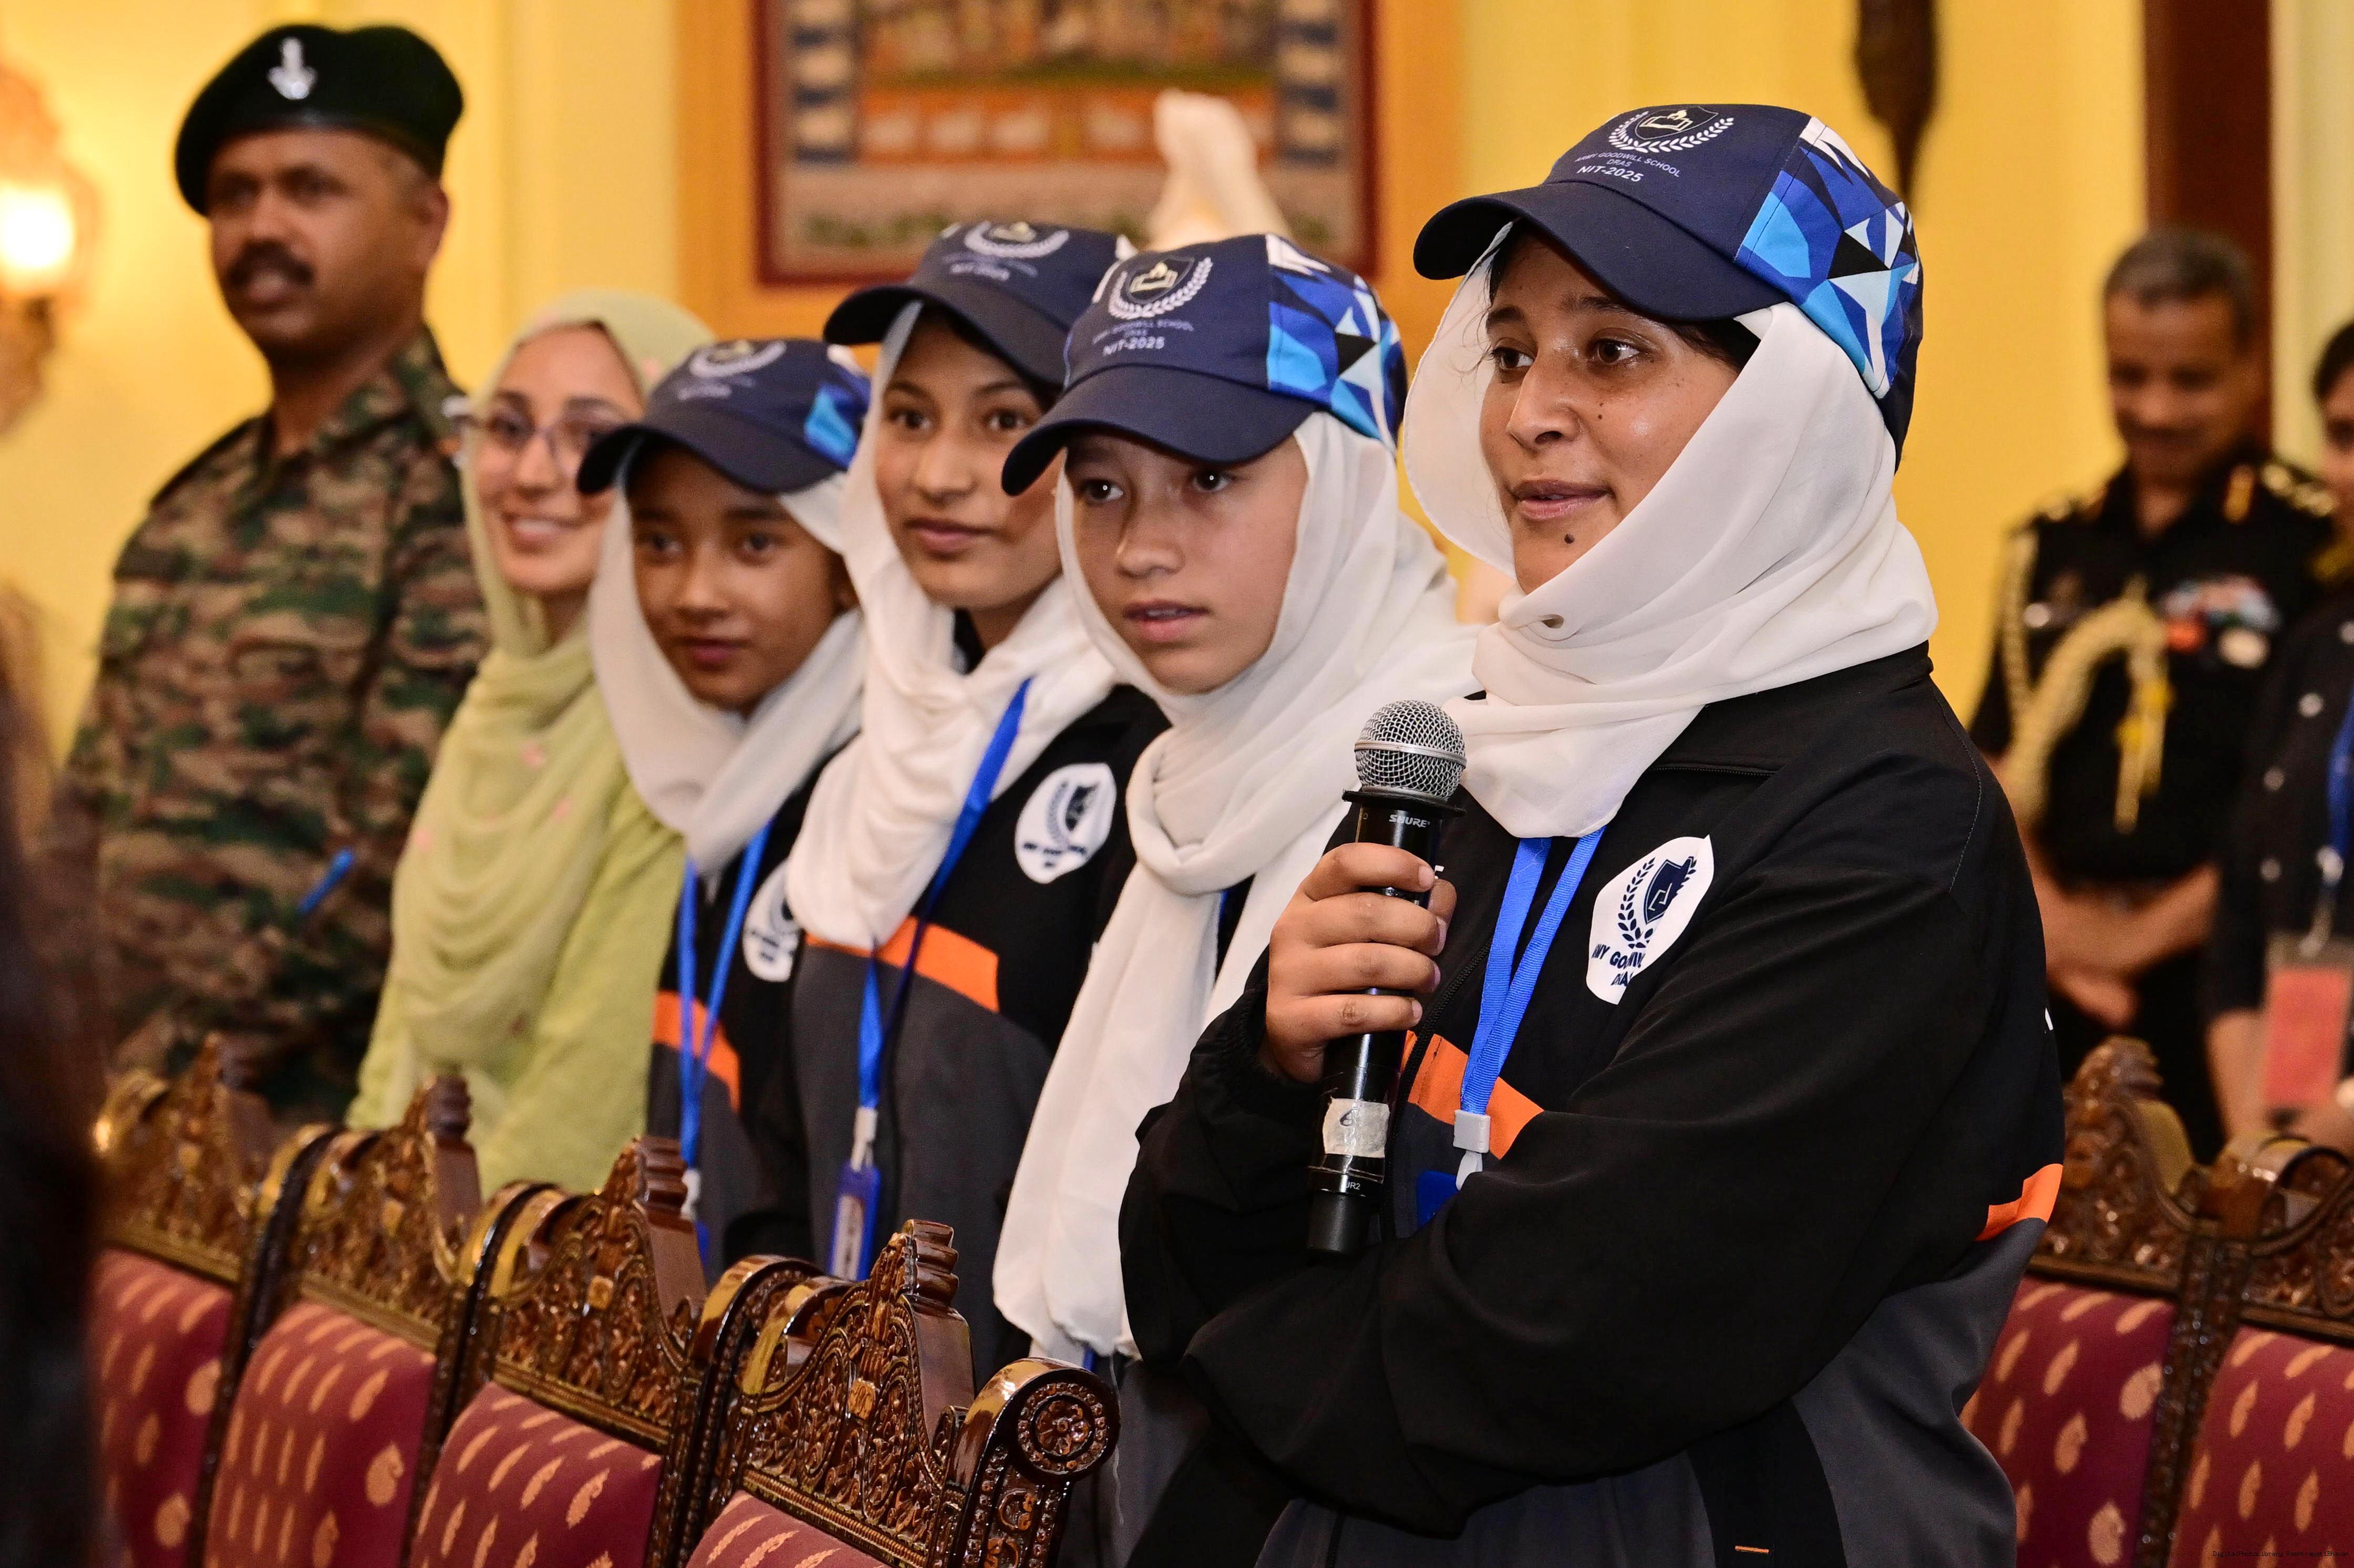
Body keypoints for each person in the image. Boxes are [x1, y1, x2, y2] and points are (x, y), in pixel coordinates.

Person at [1121, 106, 2059, 1566]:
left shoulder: (1890, 828)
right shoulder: (1478, 747)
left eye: (1610, 353)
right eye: (1509, 352)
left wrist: (1232, 1366)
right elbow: (1179, 1246)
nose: (1524, 415)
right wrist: (1265, 1072)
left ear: (1790, 409)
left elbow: (1576, 1325)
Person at [989, 234, 1474, 1566]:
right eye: (1100, 488)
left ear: (1350, 479)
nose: (1142, 547)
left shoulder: (1455, 778)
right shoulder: (1182, 780)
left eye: (1211, 479)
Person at [42, 23, 483, 1121]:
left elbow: (399, 858)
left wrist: (159, 1067)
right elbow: (81, 821)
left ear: (425, 223)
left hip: (319, 1138)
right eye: (235, 196)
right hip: (116, 1118)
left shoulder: (467, 496)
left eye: (310, 189)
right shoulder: (188, 510)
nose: (262, 228)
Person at [777, 221, 1163, 1376]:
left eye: (1004, 423)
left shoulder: (1155, 758)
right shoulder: (871, 739)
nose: (939, 474)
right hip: (847, 1414)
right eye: (908, 417)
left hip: (1038, 1430)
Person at [1970, 229, 2336, 1157]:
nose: (2157, 410)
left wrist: (2134, 943)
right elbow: (1994, 759)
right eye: (2129, 377)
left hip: (2231, 985)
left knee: (2245, 1217)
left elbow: (2303, 807)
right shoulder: (2051, 546)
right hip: (2055, 974)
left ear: (2250, 367)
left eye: (2191, 380)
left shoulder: (2310, 548)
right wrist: (2060, 931)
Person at [347, 292, 711, 1193]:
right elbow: (404, 1031)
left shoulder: (679, 739)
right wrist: (348, 1224)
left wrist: (447, 1265)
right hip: (404, 1231)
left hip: (537, 1248)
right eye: (507, 428)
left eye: (591, 437)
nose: (533, 474)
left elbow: (580, 1116)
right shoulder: (498, 704)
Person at [577, 338, 869, 1265]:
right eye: (660, 544)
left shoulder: (878, 809)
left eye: (754, 544)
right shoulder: (722, 789)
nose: (695, 595)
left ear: (850, 557)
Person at [2206, 322, 2354, 1146]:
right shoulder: (2316, 649)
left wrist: (2328, 1135)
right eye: (2343, 436)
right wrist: (2257, 1147)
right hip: (2285, 1133)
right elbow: (2243, 916)